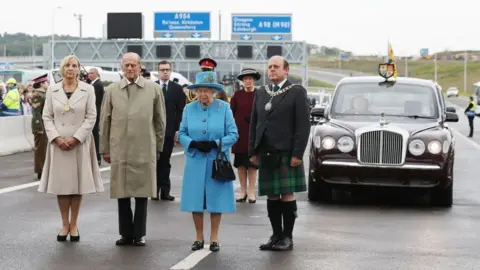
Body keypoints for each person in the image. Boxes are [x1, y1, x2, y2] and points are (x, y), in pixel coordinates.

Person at [100, 52, 166, 246]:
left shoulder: (153, 90)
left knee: (142, 192)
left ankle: (139, 234)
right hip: (119, 148)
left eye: (133, 65)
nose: (130, 68)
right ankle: (125, 233)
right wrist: (104, 147)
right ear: (121, 67)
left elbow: (160, 120)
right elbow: (105, 121)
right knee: (121, 192)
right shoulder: (112, 90)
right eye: (126, 65)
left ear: (140, 66)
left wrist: (159, 146)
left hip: (144, 147)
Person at [38, 55, 104, 242]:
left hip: (79, 142)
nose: (70, 68)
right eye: (67, 65)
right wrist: (56, 138)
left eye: (74, 65)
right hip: (58, 144)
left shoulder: (88, 90)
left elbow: (91, 117)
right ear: (62, 68)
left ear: (78, 69)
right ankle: (64, 224)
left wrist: (76, 138)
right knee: (62, 185)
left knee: (76, 185)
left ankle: (74, 224)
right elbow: (47, 117)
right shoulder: (52, 90)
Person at [249, 55, 310, 251]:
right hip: (266, 152)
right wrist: (253, 150)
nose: (272, 70)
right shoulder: (261, 92)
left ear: (286, 70)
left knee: (286, 194)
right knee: (272, 195)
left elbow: (303, 126)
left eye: (276, 67)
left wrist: (297, 154)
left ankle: (288, 238)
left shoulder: (296, 92)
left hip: (286, 152)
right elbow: (254, 124)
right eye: (269, 67)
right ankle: (276, 235)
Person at [178, 71, 239, 252]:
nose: (203, 94)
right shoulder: (188, 109)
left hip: (216, 160)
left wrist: (215, 143)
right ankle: (198, 237)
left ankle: (214, 238)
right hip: (195, 160)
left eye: (207, 91)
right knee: (195, 200)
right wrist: (192, 143)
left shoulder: (224, 108)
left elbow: (234, 134)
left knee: (216, 200)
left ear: (214, 91)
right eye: (200, 91)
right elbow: (181, 133)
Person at [153, 60, 186, 201]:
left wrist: (178, 131)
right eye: (162, 70)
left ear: (170, 71)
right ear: (158, 71)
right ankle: (154, 190)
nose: (165, 72)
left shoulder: (177, 89)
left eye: (167, 69)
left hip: (169, 131)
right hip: (153, 131)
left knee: (165, 161)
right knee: (154, 162)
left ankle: (165, 191)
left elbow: (180, 112)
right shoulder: (152, 87)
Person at [231, 68, 261, 203]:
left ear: (253, 80)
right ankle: (242, 191)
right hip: (239, 133)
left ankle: (252, 192)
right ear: (242, 81)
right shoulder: (236, 95)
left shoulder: (260, 94)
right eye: (245, 79)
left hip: (254, 133)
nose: (247, 81)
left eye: (250, 78)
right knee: (241, 165)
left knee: (252, 165)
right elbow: (231, 114)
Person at [30, 73, 50, 179]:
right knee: (40, 149)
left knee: (45, 148)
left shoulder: (44, 94)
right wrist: (39, 127)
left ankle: (44, 169)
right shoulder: (37, 95)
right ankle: (40, 170)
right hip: (40, 126)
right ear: (42, 83)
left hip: (45, 125)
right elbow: (36, 113)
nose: (48, 84)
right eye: (46, 82)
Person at [87, 68, 104, 165]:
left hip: (95, 113)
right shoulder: (93, 84)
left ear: (97, 74)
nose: (90, 75)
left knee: (94, 135)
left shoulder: (96, 85)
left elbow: (94, 101)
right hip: (95, 113)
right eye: (89, 73)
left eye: (92, 73)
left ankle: (97, 157)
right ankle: (95, 157)